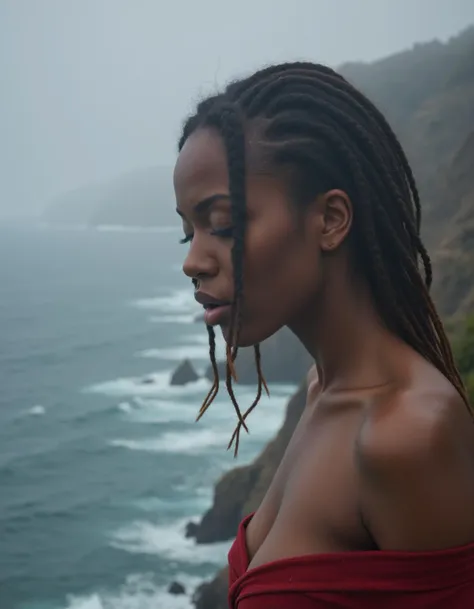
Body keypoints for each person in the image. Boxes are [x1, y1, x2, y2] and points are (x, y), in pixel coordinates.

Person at [173, 62, 474, 608]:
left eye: (223, 224)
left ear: (331, 220)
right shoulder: (322, 389)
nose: (194, 260)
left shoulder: (407, 434)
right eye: (187, 230)